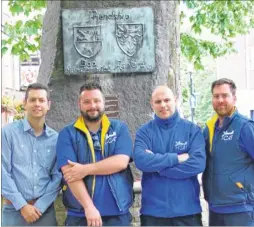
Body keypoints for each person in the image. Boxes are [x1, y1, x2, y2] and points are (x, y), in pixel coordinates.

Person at [56, 82, 134, 226]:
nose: (92, 106)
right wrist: (89, 207)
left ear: (104, 102)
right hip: (80, 215)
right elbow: (70, 174)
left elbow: (121, 162)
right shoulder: (66, 134)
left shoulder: (119, 128)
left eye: (97, 101)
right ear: (79, 104)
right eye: (87, 102)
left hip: (118, 214)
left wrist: (84, 170)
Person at [134, 85, 206, 226]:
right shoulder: (144, 132)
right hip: (153, 214)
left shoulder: (192, 130)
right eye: (158, 101)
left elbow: (197, 164)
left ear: (175, 100)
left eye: (167, 100)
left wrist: (158, 167)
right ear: (152, 104)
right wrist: (177, 158)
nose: (163, 105)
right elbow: (141, 161)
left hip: (187, 212)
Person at [1, 83, 62, 226]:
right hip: (13, 210)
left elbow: (58, 175)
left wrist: (40, 206)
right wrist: (22, 205)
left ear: (48, 105)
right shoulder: (7, 133)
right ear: (25, 103)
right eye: (32, 100)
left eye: (41, 100)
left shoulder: (56, 139)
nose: (37, 104)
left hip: (44, 211)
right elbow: (2, 172)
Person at [202, 78, 254, 226]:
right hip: (215, 208)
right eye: (216, 96)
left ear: (234, 98)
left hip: (241, 209)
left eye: (225, 95)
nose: (220, 100)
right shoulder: (209, 129)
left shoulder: (245, 127)